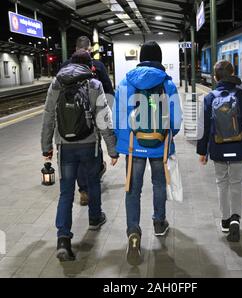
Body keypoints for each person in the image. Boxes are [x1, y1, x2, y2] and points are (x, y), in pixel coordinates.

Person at [41, 49, 118, 261]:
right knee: (92, 183)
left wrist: (46, 147)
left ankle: (63, 239)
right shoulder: (94, 84)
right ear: (89, 66)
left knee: (66, 192)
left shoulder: (56, 83)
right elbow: (103, 119)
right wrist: (112, 149)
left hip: (65, 147)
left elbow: (48, 117)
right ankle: (95, 218)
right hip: (89, 145)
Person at [114, 41, 182, 265]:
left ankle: (133, 233)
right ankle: (159, 223)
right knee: (159, 185)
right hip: (160, 148)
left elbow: (117, 119)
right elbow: (177, 121)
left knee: (132, 191)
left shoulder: (125, 82)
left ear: (140, 58)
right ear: (159, 59)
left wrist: (124, 142)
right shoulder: (167, 84)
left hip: (134, 149)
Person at [197, 60, 242, 242]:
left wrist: (202, 152)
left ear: (216, 77)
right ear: (232, 73)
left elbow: (203, 127)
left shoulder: (209, 98)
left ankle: (225, 220)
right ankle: (235, 219)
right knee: (236, 183)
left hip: (218, 149)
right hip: (238, 147)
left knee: (221, 183)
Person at [61, 36, 115, 206]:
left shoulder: (63, 67)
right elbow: (108, 89)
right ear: (89, 49)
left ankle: (83, 190)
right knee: (94, 152)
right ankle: (92, 185)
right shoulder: (97, 66)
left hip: (68, 124)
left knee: (74, 160)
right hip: (92, 123)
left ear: (75, 48)